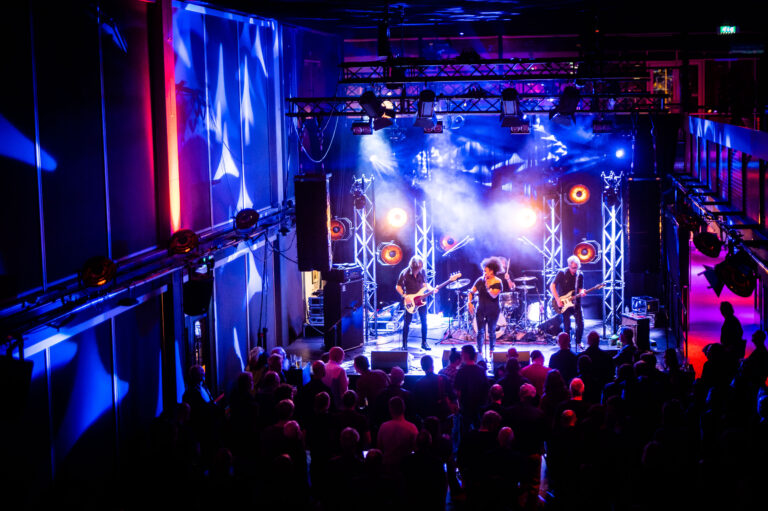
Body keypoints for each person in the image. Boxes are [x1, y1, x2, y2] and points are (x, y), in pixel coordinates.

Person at [468, 257, 503, 355]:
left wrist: (488, 287)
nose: (484, 273)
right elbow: (471, 292)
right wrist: (469, 302)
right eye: (483, 271)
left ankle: (491, 351)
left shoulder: (498, 282)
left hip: (493, 310)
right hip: (481, 309)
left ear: (492, 271)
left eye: (485, 271)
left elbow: (493, 295)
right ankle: (480, 352)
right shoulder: (480, 280)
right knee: (480, 332)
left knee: (491, 332)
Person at [396, 256, 433, 350]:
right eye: (416, 269)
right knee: (407, 322)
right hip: (410, 300)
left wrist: (431, 289)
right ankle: (404, 344)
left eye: (419, 269)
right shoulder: (404, 273)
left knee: (424, 321)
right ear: (412, 267)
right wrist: (405, 296)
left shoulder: (423, 272)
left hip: (421, 300)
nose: (418, 271)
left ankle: (424, 343)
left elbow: (425, 284)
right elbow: (398, 287)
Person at [549, 255, 586, 349]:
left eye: (577, 267)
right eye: (573, 268)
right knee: (567, 325)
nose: (575, 270)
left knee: (580, 323)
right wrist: (557, 300)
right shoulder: (562, 273)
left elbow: (580, 288)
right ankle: (567, 344)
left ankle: (579, 341)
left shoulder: (580, 274)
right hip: (564, 303)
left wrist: (582, 292)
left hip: (576, 303)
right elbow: (552, 286)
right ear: (569, 266)